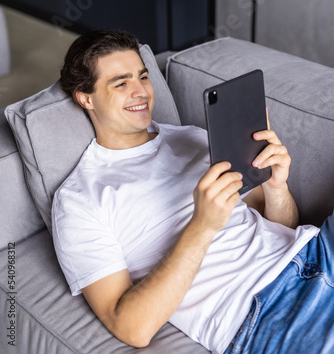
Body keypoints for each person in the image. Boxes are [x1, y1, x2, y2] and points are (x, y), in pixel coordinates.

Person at [51, 29, 334, 354]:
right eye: (121, 83)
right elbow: (133, 328)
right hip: (264, 311)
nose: (140, 91)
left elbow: (282, 227)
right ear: (86, 98)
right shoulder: (79, 200)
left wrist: (276, 186)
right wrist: (203, 225)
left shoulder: (195, 138)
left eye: (142, 76)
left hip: (316, 250)